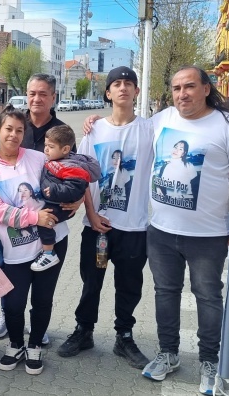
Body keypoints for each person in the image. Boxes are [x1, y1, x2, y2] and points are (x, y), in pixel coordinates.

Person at [141, 66, 229, 396]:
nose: (182, 94)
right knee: (165, 293)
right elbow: (128, 132)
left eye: (189, 86)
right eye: (176, 88)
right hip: (162, 230)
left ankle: (209, 361)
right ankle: (168, 354)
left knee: (207, 297)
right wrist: (94, 122)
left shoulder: (227, 126)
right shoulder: (162, 119)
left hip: (208, 236)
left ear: (206, 88)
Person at [62, 66, 153, 371]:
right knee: (91, 282)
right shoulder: (94, 131)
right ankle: (83, 331)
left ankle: (124, 337)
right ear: (108, 92)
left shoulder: (150, 130)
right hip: (97, 226)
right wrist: (90, 213)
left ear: (137, 92)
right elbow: (83, 176)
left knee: (129, 285)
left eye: (129, 84)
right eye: (117, 83)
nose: (123, 88)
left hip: (133, 227)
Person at [0, 73, 79, 341]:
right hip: (14, 222)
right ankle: (7, 315)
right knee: (10, 274)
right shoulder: (15, 125)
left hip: (48, 221)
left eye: (42, 94)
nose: (36, 99)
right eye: (32, 93)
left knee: (43, 282)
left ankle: (37, 325)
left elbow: (74, 171)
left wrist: (76, 199)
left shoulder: (62, 131)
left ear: (53, 97)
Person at [0, 108, 68, 376]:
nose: (14, 135)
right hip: (15, 251)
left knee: (42, 300)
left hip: (51, 244)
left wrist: (73, 200)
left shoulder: (38, 158)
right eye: (9, 129)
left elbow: (67, 177)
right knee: (14, 304)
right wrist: (34, 217)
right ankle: (16, 344)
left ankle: (35, 344)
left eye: (19, 130)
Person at [31, 125, 100, 272]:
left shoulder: (72, 166)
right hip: (56, 200)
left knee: (45, 221)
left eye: (51, 146)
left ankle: (49, 253)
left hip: (60, 205)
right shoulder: (60, 160)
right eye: (45, 145)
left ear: (65, 149)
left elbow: (74, 189)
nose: (46, 150)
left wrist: (55, 190)